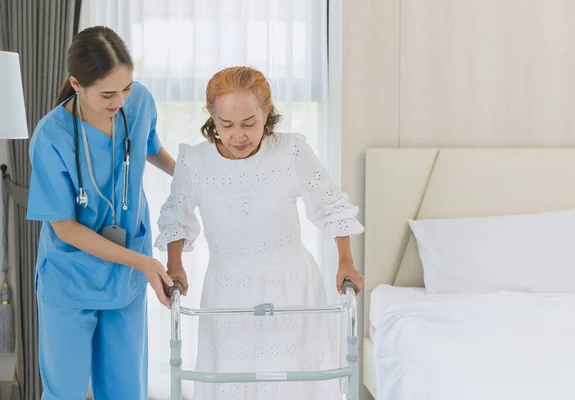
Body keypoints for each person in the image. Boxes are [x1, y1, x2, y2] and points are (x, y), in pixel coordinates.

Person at [155, 66, 365, 399]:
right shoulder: (194, 161)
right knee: (233, 384)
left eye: (249, 123)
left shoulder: (290, 151)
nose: (238, 135)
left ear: (267, 113)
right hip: (227, 289)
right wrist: (175, 263)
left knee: (292, 382)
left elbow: (330, 205)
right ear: (212, 117)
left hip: (291, 284)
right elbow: (176, 218)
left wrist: (345, 260)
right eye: (226, 125)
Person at [26, 26, 175, 400]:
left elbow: (151, 148)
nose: (120, 101)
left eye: (126, 88)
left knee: (127, 389)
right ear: (76, 84)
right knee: (66, 392)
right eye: (108, 94)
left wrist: (198, 175)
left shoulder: (138, 102)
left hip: (125, 276)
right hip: (70, 275)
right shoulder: (51, 137)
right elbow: (66, 228)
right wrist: (141, 262)